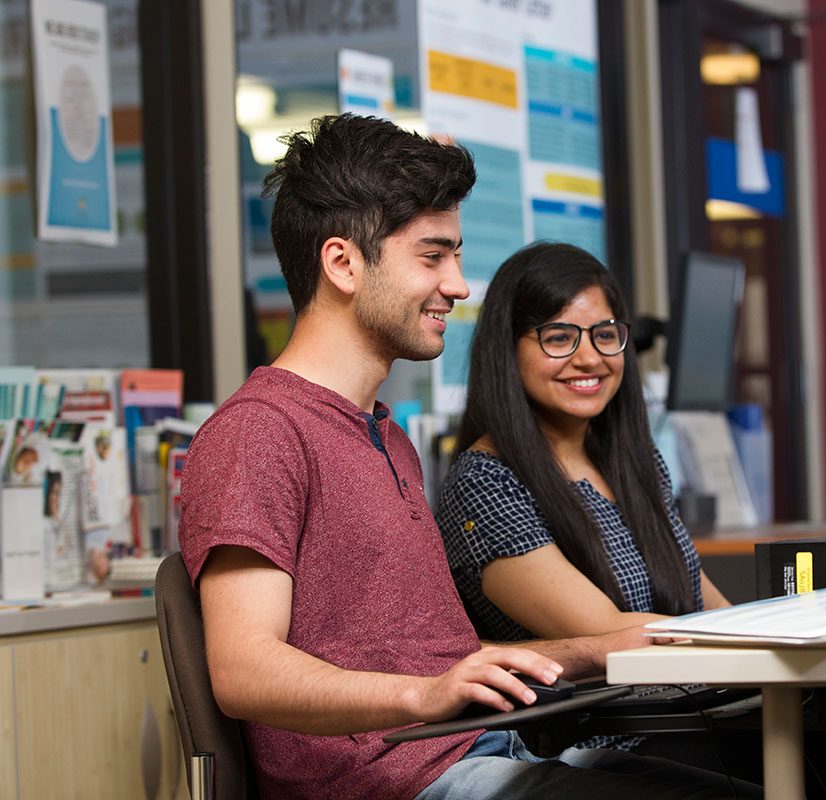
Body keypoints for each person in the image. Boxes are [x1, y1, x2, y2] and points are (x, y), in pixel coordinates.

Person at [178, 113, 758, 800]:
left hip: (482, 754)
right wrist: (422, 698)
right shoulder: (259, 433)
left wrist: (599, 650)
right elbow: (243, 671)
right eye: (433, 256)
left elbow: (438, 661)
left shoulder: (382, 436)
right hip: (400, 782)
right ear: (342, 263)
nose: (457, 284)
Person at [436, 242, 756, 774]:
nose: (590, 358)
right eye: (558, 338)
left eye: (605, 335)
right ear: (508, 351)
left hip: (689, 711)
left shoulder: (631, 459)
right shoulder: (486, 483)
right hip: (607, 744)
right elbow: (611, 637)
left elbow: (702, 599)